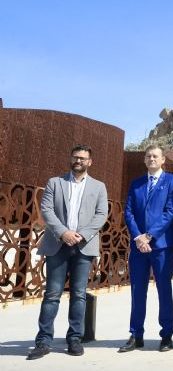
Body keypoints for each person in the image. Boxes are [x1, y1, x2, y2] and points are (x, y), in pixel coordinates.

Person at [27, 145, 108, 360]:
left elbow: (101, 214)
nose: (78, 161)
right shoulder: (55, 182)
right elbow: (47, 209)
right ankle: (43, 341)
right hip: (57, 245)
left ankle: (74, 339)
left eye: (83, 158)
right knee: (52, 294)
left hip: (83, 246)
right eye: (75, 157)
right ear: (70, 159)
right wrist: (63, 233)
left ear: (90, 162)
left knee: (79, 294)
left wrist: (81, 234)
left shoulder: (99, 187)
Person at [118, 145, 173, 353]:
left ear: (163, 160)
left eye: (155, 156)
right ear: (144, 160)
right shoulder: (136, 183)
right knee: (138, 290)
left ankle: (166, 335)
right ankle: (136, 334)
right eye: (148, 156)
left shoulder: (172, 181)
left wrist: (149, 235)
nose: (151, 159)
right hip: (138, 247)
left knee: (164, 289)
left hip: (161, 245)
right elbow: (129, 212)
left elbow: (170, 212)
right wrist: (138, 237)